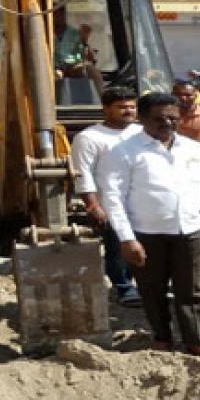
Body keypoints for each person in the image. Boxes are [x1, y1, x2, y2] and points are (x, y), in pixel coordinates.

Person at [101, 92, 200, 360]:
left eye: (173, 117)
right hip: (147, 234)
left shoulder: (194, 149)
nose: (167, 123)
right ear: (143, 118)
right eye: (159, 119)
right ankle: (162, 337)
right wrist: (127, 239)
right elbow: (113, 198)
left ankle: (196, 340)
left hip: (191, 230)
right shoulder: (124, 151)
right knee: (152, 288)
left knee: (192, 289)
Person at [70, 86, 144, 309]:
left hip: (143, 201)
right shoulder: (89, 137)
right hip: (111, 202)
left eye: (132, 106)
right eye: (121, 107)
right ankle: (124, 287)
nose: (128, 111)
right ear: (106, 109)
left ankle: (147, 285)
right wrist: (93, 205)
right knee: (118, 245)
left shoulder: (142, 133)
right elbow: (82, 172)